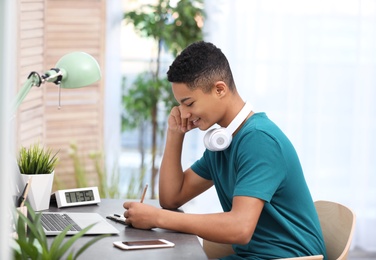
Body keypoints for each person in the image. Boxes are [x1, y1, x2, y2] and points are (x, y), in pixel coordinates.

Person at [123, 41, 327, 259]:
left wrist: (157, 218)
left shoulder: (259, 140)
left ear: (219, 89)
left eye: (189, 103)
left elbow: (240, 227)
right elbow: (172, 198)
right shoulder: (223, 141)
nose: (183, 112)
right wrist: (175, 133)